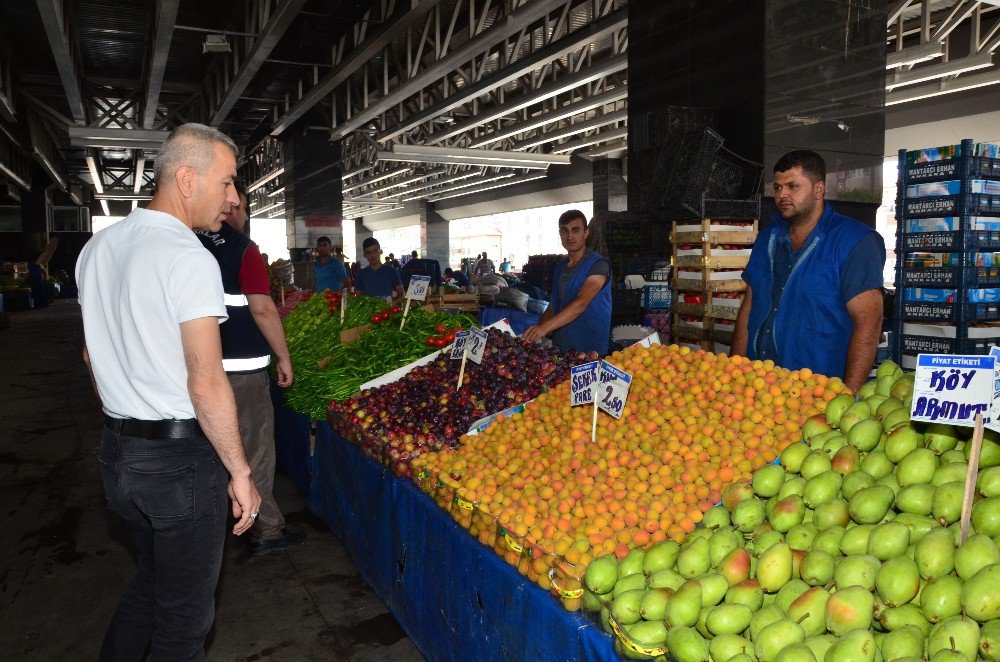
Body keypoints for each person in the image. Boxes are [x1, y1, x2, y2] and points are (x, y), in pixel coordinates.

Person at [75, 123, 261, 659]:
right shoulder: (189, 258)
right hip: (178, 464)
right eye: (226, 182)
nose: (231, 198)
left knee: (151, 586)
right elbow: (206, 382)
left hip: (118, 456)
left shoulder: (99, 248)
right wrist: (241, 473)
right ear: (185, 178)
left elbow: (91, 356)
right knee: (184, 623)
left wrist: (126, 411)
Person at [196, 181, 306, 556]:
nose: (241, 213)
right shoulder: (244, 249)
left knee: (210, 449)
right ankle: (268, 530)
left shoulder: (188, 243)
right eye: (242, 206)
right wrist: (284, 356)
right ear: (233, 208)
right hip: (241, 373)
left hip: (198, 370)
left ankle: (210, 526)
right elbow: (261, 307)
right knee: (254, 450)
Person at [731, 150, 884, 392]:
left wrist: (848, 396)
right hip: (757, 388)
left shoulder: (854, 241)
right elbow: (749, 307)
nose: (783, 195)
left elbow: (869, 323)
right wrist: (734, 374)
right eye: (778, 187)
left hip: (818, 392)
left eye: (793, 186)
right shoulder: (766, 239)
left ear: (818, 190)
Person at [522, 210, 612, 355]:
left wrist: (545, 328)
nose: (570, 236)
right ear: (560, 234)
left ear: (586, 233)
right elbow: (553, 306)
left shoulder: (598, 265)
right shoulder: (560, 267)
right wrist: (535, 333)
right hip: (563, 347)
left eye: (575, 230)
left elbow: (581, 303)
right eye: (565, 231)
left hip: (590, 348)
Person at [355, 237, 404, 302]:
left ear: (380, 251)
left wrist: (392, 304)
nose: (372, 255)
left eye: (375, 251)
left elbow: (401, 293)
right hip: (368, 310)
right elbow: (357, 295)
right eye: (368, 252)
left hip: (388, 310)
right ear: (365, 255)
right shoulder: (361, 274)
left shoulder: (392, 271)